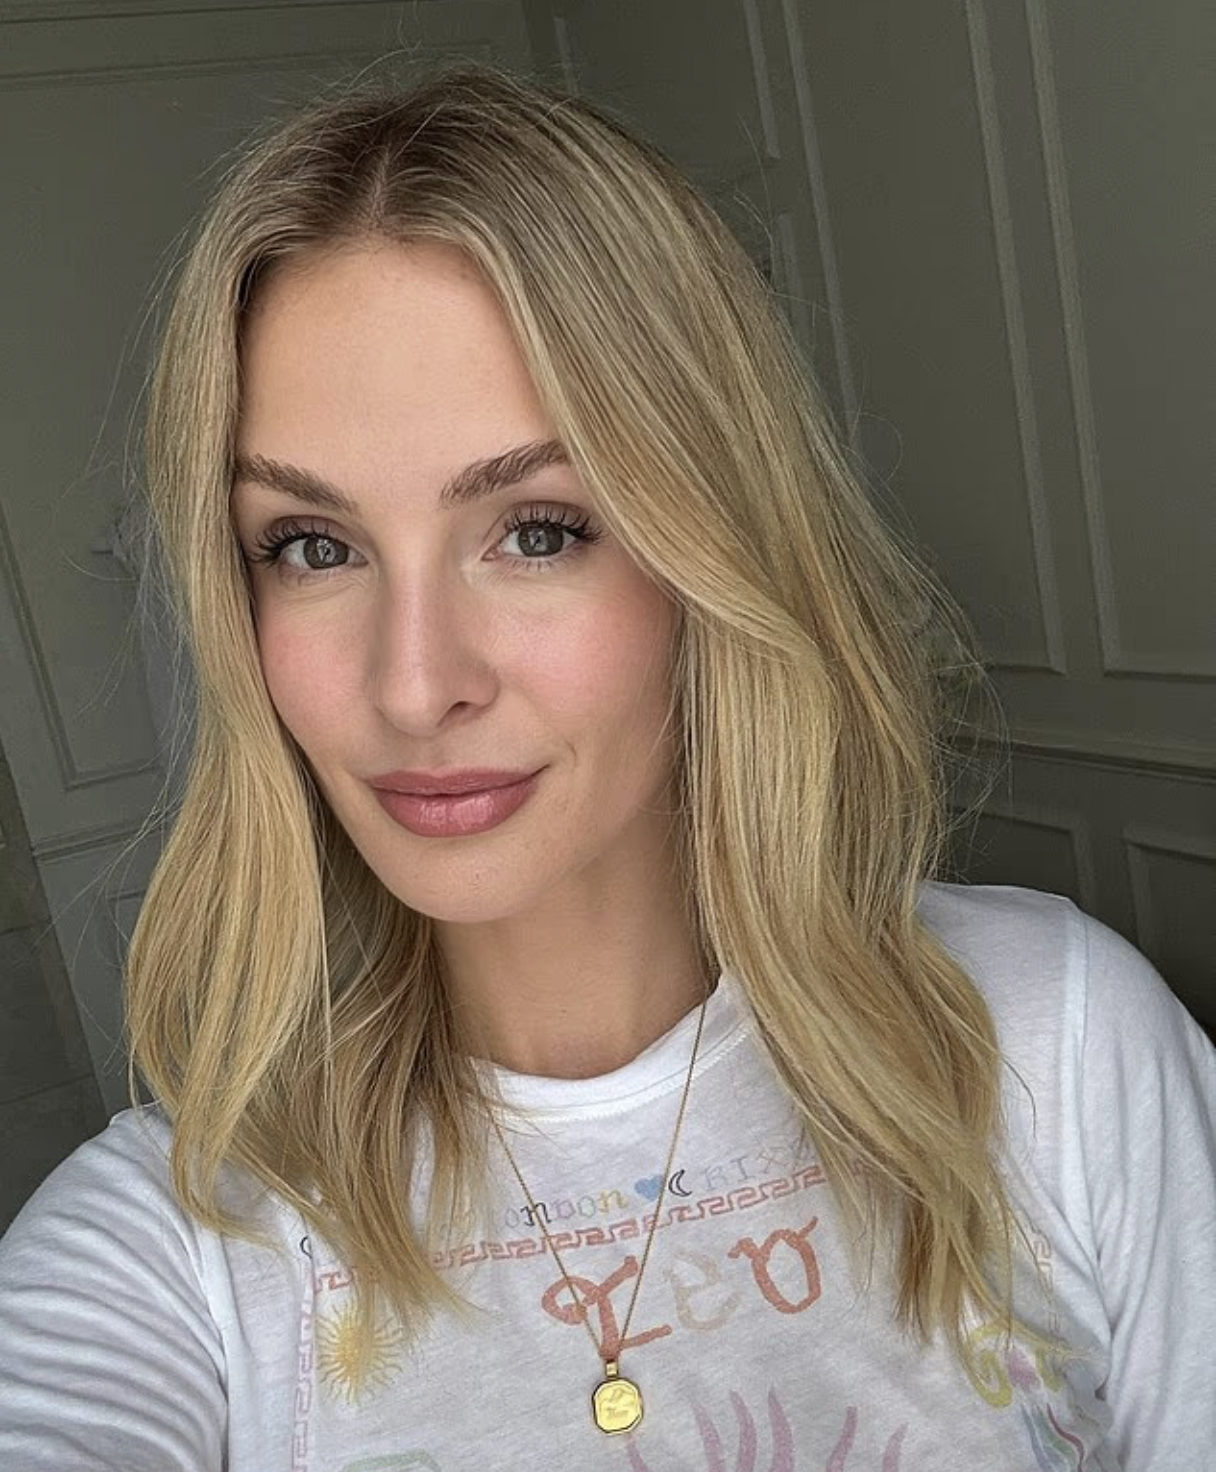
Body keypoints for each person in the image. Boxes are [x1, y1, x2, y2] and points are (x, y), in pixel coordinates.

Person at [1, 60, 1212, 1472]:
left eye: (537, 530)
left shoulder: (1054, 1045)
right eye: (313, 547)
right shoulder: (180, 1247)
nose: (415, 685)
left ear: (711, 551)